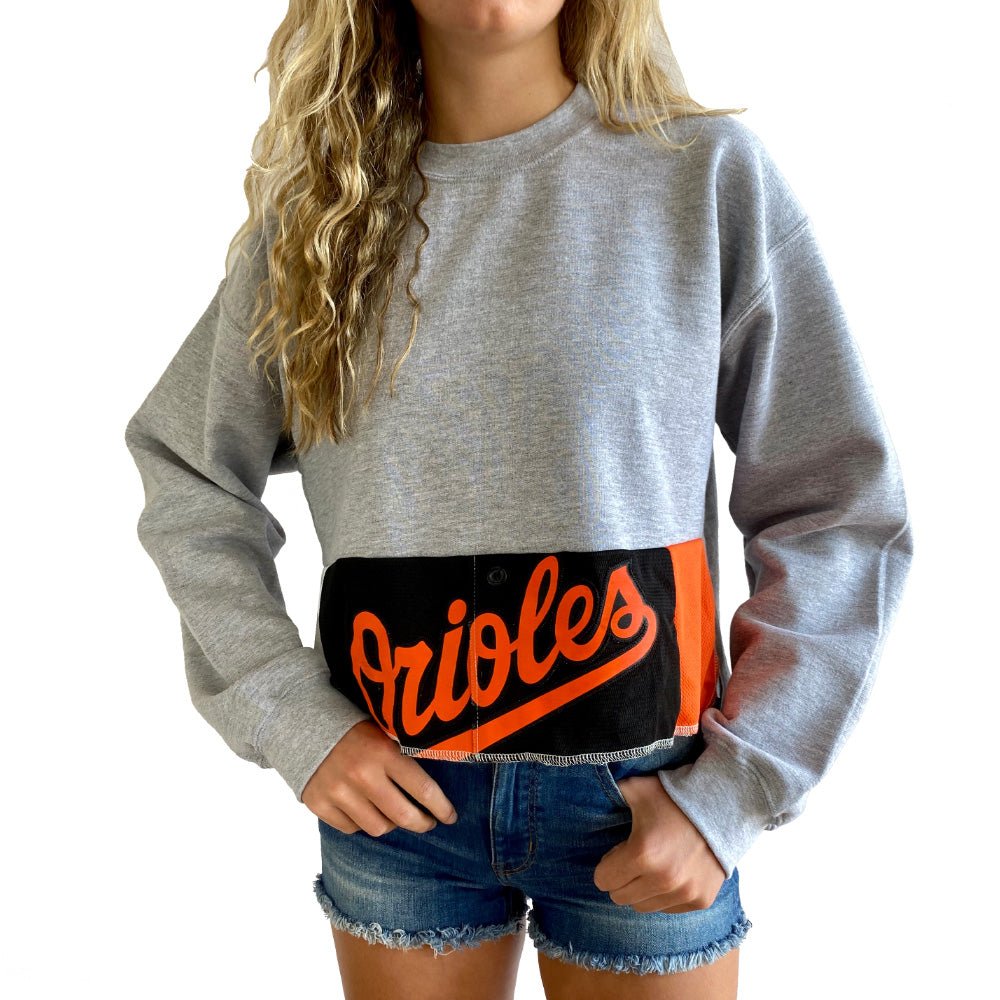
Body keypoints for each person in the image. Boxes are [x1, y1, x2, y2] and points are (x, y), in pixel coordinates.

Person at [124, 1, 914, 997]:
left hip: (649, 797)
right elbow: (188, 469)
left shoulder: (702, 177)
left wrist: (736, 786)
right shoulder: (321, 223)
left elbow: (837, 503)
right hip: (400, 809)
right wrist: (291, 717)